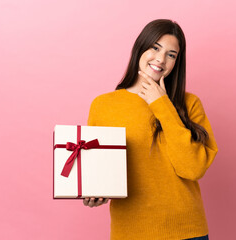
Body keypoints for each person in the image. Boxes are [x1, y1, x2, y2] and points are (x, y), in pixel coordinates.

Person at [83, 19, 218, 240]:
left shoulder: (190, 104)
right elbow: (101, 171)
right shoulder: (104, 105)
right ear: (140, 47)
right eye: (155, 48)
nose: (161, 59)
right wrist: (94, 193)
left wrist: (161, 104)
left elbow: (193, 169)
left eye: (171, 54)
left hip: (186, 232)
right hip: (130, 232)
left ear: (177, 62)